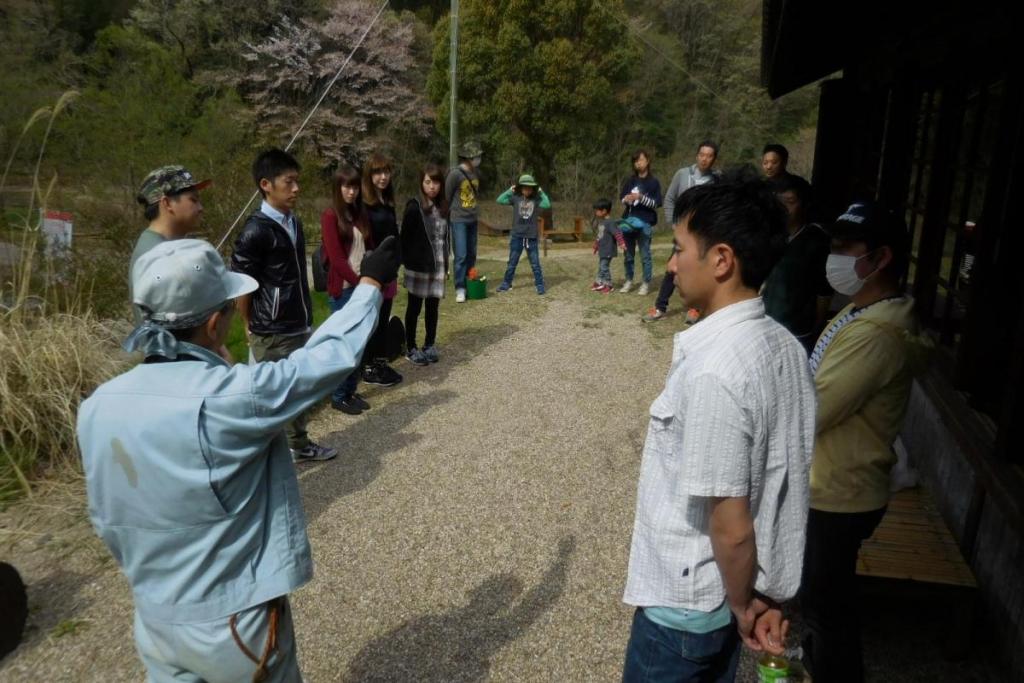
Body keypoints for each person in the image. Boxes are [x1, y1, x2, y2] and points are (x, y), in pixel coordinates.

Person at [78, 237, 399, 683]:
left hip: (154, 619)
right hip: (234, 625)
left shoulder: (97, 406)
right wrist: (369, 285)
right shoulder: (232, 398)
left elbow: (105, 518)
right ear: (214, 323)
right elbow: (326, 359)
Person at [621, 178, 816, 681]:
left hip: (690, 607)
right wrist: (763, 596)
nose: (670, 264)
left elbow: (730, 526)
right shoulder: (786, 347)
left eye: (679, 249)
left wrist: (741, 605)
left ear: (722, 260)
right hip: (740, 592)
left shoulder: (716, 370)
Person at [801, 201, 928, 683]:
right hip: (837, 483)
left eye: (846, 247)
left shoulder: (878, 332)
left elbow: (817, 408)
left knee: (826, 612)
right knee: (823, 603)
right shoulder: (864, 311)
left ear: (881, 258)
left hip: (840, 491)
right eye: (833, 245)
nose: (834, 256)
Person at [230, 149, 336, 463]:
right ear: (266, 184)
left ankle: (296, 444)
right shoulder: (255, 230)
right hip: (271, 330)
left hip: (296, 321)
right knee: (271, 395)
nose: (296, 189)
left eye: (297, 182)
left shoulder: (293, 222)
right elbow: (242, 284)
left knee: (298, 390)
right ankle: (264, 454)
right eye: (288, 182)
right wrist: (248, 324)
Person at [643, 141, 720, 322]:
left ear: (714, 159)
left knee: (700, 270)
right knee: (673, 268)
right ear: (697, 155)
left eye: (709, 156)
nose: (705, 159)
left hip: (704, 233)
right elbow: (669, 199)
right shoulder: (683, 174)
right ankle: (660, 307)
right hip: (683, 232)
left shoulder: (718, 179)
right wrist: (673, 222)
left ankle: (695, 308)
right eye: (702, 154)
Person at [320, 164, 375, 415]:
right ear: (337, 188)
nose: (351, 192)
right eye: (346, 186)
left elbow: (369, 248)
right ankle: (339, 394)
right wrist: (358, 281)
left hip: (363, 287)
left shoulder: (359, 214)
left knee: (360, 344)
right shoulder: (331, 216)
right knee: (346, 346)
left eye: (354, 186)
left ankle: (350, 390)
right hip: (344, 290)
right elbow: (337, 259)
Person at [130, 165, 210, 326]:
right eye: (193, 200)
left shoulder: (164, 247)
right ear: (167, 204)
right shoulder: (157, 255)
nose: (201, 208)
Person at [761, 176, 833, 352]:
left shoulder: (816, 240)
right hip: (765, 323)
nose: (783, 208)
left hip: (797, 330)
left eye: (790, 201)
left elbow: (823, 291)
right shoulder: (769, 234)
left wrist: (816, 327)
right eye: (779, 201)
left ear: (804, 204)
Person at [360, 153, 404, 387]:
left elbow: (394, 235)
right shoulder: (365, 206)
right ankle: (367, 366)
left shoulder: (388, 202)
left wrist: (397, 260)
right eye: (377, 172)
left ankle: (379, 362)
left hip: (390, 270)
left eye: (386, 172)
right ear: (369, 176)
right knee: (371, 320)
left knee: (384, 317)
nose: (383, 177)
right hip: (372, 273)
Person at [400, 163, 449, 366]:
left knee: (432, 307)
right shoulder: (414, 206)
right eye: (428, 182)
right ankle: (410, 346)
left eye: (435, 181)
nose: (432, 186)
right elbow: (405, 239)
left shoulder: (444, 208)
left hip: (437, 265)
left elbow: (446, 238)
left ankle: (429, 344)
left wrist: (446, 265)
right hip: (418, 267)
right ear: (421, 183)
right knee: (414, 307)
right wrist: (409, 262)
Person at [494, 174, 550, 295]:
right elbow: (499, 200)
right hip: (517, 236)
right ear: (520, 188)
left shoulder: (536, 199)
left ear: (533, 189)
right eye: (525, 187)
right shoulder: (515, 197)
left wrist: (541, 193)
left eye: (530, 188)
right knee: (512, 262)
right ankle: (506, 284)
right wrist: (509, 191)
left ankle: (540, 284)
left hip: (531, 237)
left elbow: (547, 204)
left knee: (535, 263)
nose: (527, 190)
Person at [617, 149, 662, 295]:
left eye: (641, 160)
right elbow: (622, 198)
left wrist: (641, 198)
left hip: (645, 222)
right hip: (629, 221)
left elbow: (656, 203)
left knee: (645, 255)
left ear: (647, 161)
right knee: (628, 255)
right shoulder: (631, 180)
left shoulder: (653, 182)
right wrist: (627, 199)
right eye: (635, 161)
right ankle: (629, 280)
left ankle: (645, 283)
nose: (638, 163)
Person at [445, 140, 482, 303]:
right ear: (468, 157)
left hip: (473, 218)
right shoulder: (455, 174)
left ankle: (470, 281)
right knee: (461, 254)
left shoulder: (477, 173)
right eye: (476, 156)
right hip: (458, 219)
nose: (478, 159)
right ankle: (460, 287)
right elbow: (447, 195)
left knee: (472, 254)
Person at [590, 198, 625, 293]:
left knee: (604, 267)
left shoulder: (610, 222)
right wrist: (596, 245)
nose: (595, 212)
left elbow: (617, 233)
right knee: (601, 266)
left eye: (597, 210)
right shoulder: (602, 222)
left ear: (604, 211)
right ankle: (599, 282)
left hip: (608, 250)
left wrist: (621, 243)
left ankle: (609, 285)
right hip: (603, 250)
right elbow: (600, 236)